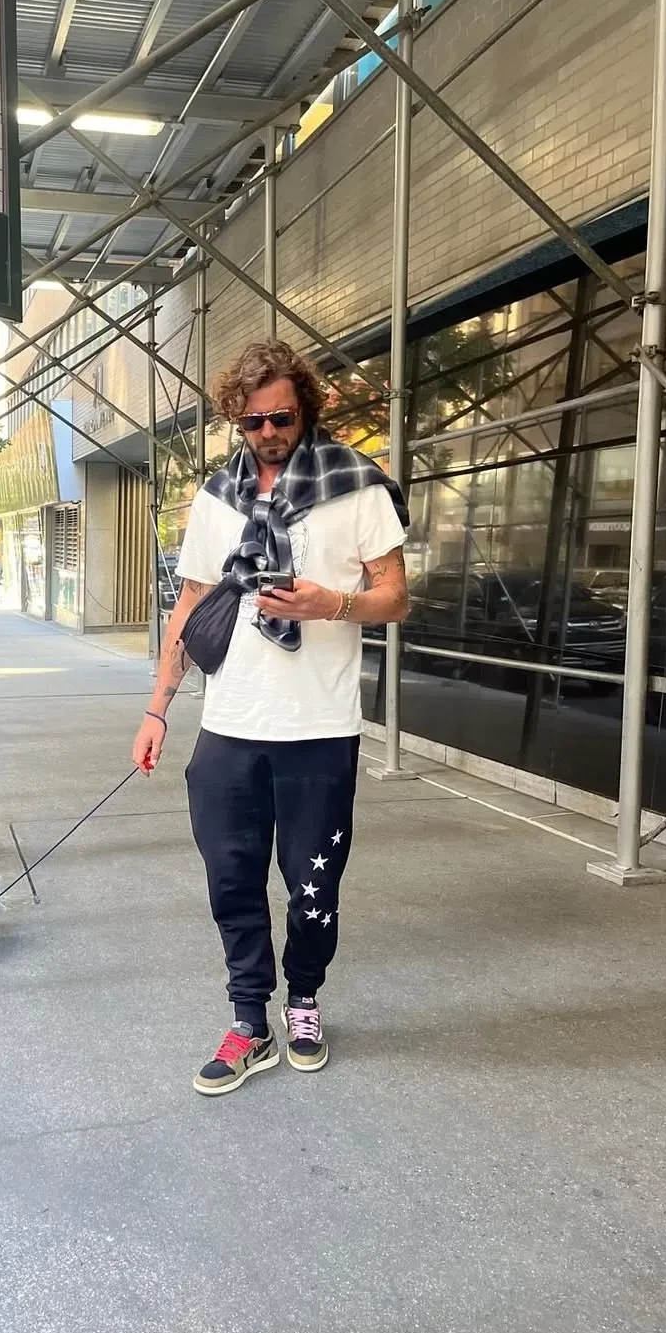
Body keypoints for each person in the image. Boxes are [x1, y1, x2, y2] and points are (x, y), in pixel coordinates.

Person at [132, 339, 410, 1097]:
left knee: (313, 884)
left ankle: (305, 1000)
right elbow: (190, 605)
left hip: (319, 730)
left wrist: (332, 603)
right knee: (232, 878)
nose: (267, 433)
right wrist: (157, 709)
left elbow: (395, 597)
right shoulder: (218, 498)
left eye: (281, 418)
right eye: (252, 421)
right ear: (237, 418)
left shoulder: (357, 487)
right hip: (229, 728)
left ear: (305, 410)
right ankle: (249, 1020)